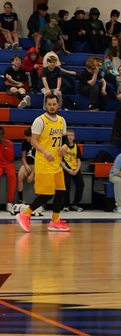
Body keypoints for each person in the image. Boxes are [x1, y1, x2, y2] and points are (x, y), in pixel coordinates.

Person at [15, 94, 71, 233]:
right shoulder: (40, 121)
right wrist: (45, 152)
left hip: (56, 163)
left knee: (61, 191)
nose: (52, 107)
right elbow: (33, 141)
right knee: (47, 194)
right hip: (44, 162)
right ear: (45, 105)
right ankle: (25, 214)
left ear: (58, 105)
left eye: (54, 104)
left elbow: (63, 139)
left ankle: (55, 222)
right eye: (49, 104)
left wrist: (65, 146)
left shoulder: (62, 120)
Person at [62, 128, 85, 212]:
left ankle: (75, 204)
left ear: (74, 137)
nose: (70, 137)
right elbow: (60, 161)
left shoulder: (76, 147)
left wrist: (77, 169)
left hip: (75, 167)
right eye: (68, 135)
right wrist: (68, 170)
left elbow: (78, 159)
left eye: (71, 135)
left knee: (81, 184)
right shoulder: (63, 147)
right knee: (66, 185)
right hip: (66, 167)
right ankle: (66, 204)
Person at [15, 127, 34, 210]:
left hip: (37, 165)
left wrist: (31, 175)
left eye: (28, 136)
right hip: (28, 164)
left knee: (40, 180)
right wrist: (26, 165)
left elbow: (40, 161)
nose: (26, 138)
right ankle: (20, 199)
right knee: (19, 176)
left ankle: (42, 203)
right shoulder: (25, 143)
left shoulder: (39, 144)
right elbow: (23, 157)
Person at [0, 127, 16, 211]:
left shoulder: (9, 143)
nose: (1, 136)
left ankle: (10, 202)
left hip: (8, 164)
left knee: (13, 177)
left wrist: (6, 146)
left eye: (2, 134)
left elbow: (10, 158)